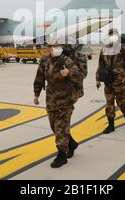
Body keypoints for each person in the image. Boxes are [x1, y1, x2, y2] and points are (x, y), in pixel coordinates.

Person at [33, 39, 84, 168]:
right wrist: (36, 93)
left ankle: (61, 155)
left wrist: (69, 73)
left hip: (66, 98)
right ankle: (71, 143)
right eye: (52, 46)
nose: (54, 48)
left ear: (61, 47)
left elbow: (80, 75)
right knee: (54, 126)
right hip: (51, 98)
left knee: (60, 126)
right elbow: (39, 77)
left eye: (57, 46)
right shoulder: (45, 60)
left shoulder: (67, 61)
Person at [96, 29, 125, 134]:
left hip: (119, 80)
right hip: (107, 80)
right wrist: (97, 79)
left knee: (121, 102)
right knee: (109, 104)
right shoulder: (104, 49)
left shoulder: (123, 48)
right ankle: (111, 125)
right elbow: (100, 65)